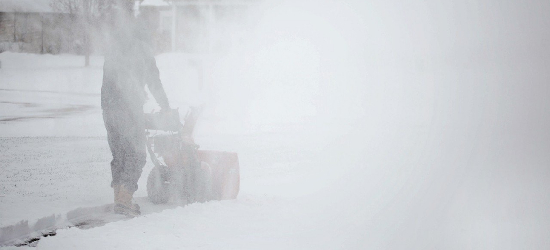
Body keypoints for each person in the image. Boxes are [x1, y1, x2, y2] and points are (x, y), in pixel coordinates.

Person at [101, 0, 170, 217]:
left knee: (120, 153)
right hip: (128, 107)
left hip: (108, 107)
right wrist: (165, 107)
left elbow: (110, 79)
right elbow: (154, 81)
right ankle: (124, 200)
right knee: (136, 154)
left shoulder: (115, 46)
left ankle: (119, 197)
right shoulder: (142, 48)